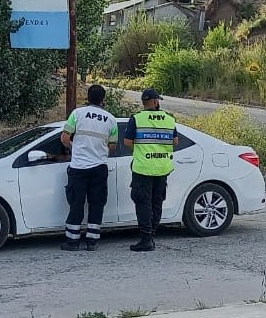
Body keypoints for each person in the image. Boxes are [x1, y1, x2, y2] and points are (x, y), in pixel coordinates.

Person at [59, 84, 118, 251]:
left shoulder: (77, 114)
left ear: (87, 98)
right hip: (99, 167)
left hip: (78, 167)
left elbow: (64, 138)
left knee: (76, 203)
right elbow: (112, 147)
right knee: (97, 203)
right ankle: (92, 241)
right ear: (103, 100)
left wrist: (75, 146)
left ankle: (72, 241)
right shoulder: (110, 119)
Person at [124, 88, 178, 252]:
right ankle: (152, 234)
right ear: (155, 102)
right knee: (157, 202)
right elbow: (175, 142)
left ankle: (146, 238)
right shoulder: (169, 119)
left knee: (143, 203)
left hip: (143, 168)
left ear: (144, 102)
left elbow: (127, 142)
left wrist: (143, 149)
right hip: (162, 168)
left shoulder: (137, 119)